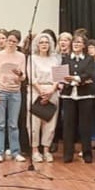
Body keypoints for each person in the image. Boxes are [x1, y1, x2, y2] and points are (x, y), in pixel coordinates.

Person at [0, 30, 27, 163]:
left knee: (13, 124)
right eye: (9, 40)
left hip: (15, 92)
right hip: (1, 91)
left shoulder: (21, 56)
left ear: (18, 43)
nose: (11, 43)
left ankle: (15, 151)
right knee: (0, 123)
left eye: (14, 41)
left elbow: (23, 77)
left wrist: (19, 74)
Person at [59, 35, 95, 163]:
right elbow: (61, 75)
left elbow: (89, 73)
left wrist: (76, 79)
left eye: (79, 42)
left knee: (85, 125)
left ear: (84, 45)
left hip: (85, 95)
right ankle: (68, 154)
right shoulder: (65, 59)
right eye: (74, 42)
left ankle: (87, 153)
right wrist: (68, 81)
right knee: (68, 125)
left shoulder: (89, 59)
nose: (76, 44)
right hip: (68, 95)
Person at [27, 33, 61, 162]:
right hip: (36, 91)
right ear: (37, 44)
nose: (44, 45)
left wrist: (52, 90)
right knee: (34, 124)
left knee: (50, 123)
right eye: (41, 42)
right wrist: (41, 91)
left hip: (52, 91)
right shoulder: (32, 58)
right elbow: (31, 77)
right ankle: (35, 150)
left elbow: (59, 77)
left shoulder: (55, 59)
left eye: (46, 42)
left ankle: (46, 150)